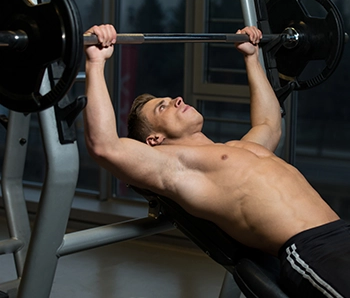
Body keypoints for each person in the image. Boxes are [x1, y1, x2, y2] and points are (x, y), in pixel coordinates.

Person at [83, 24, 350, 298]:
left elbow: (270, 123)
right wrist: (95, 62)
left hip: (342, 230)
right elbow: (104, 146)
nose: (176, 99)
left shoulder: (242, 148)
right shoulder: (176, 167)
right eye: (162, 107)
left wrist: (250, 57)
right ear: (154, 140)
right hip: (310, 249)